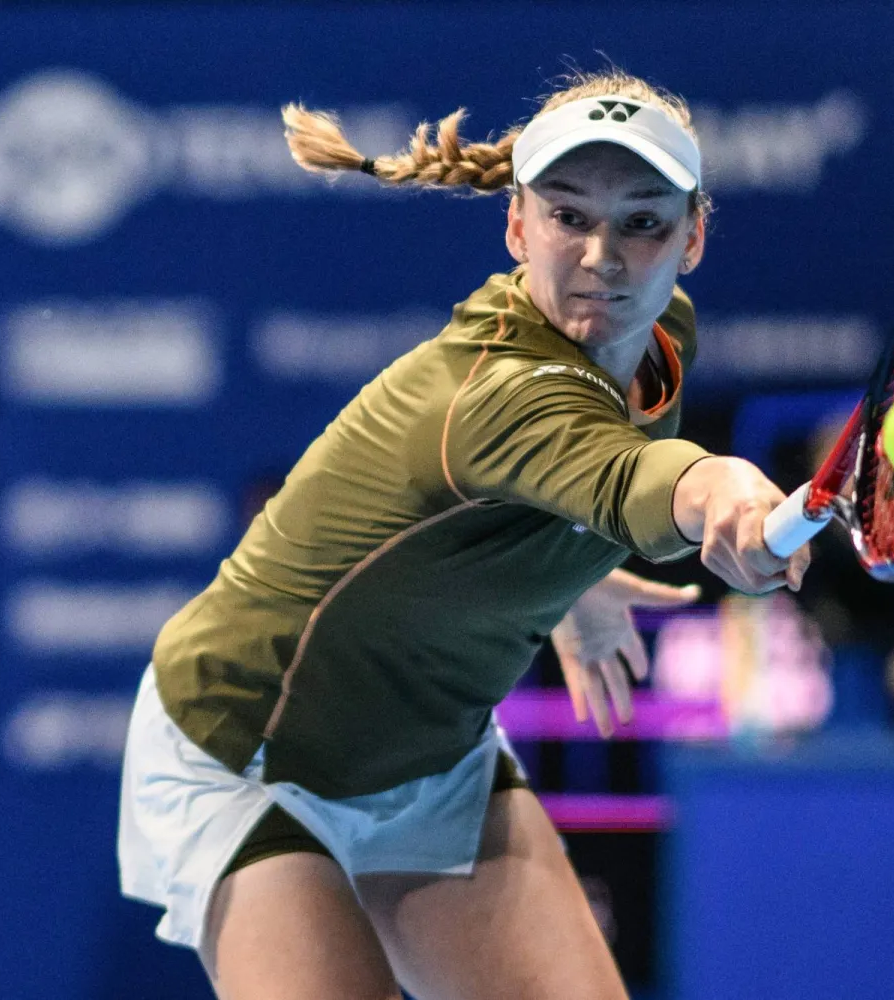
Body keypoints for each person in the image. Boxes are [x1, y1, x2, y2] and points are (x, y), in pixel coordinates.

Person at [117, 69, 810, 1000]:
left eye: (642, 222)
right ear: (518, 225)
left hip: (433, 761)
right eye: (569, 216)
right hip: (252, 751)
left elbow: (570, 487)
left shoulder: (660, 335)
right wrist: (718, 483)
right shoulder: (494, 394)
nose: (604, 255)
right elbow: (621, 476)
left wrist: (573, 579)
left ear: (692, 238)